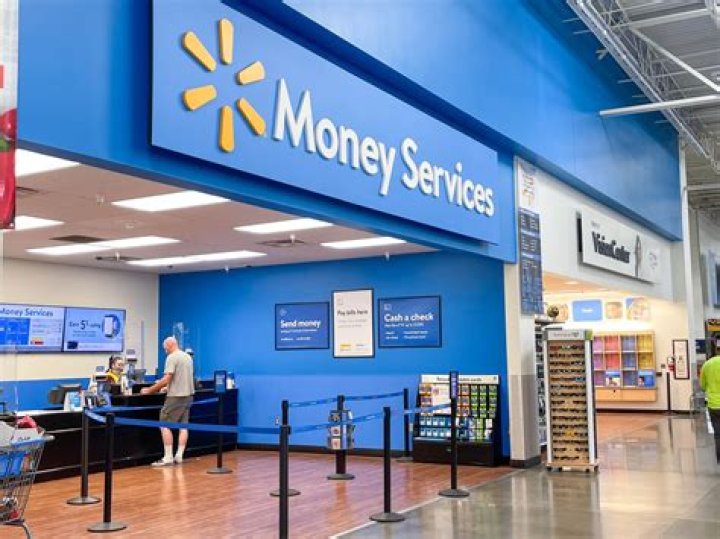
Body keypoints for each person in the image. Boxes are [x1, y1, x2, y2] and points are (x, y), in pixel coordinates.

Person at [141, 337, 195, 466]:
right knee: (183, 426)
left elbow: (167, 378)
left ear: (170, 345)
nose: (164, 350)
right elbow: (180, 377)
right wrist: (168, 387)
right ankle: (179, 456)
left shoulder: (172, 357)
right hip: (188, 395)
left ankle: (168, 457)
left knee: (164, 424)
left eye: (165, 348)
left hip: (176, 396)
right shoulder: (187, 357)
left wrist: (150, 390)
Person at [701, 354, 720, 464]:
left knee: (718, 433)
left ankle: (719, 458)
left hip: (713, 404)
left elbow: (703, 386)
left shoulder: (707, 364)